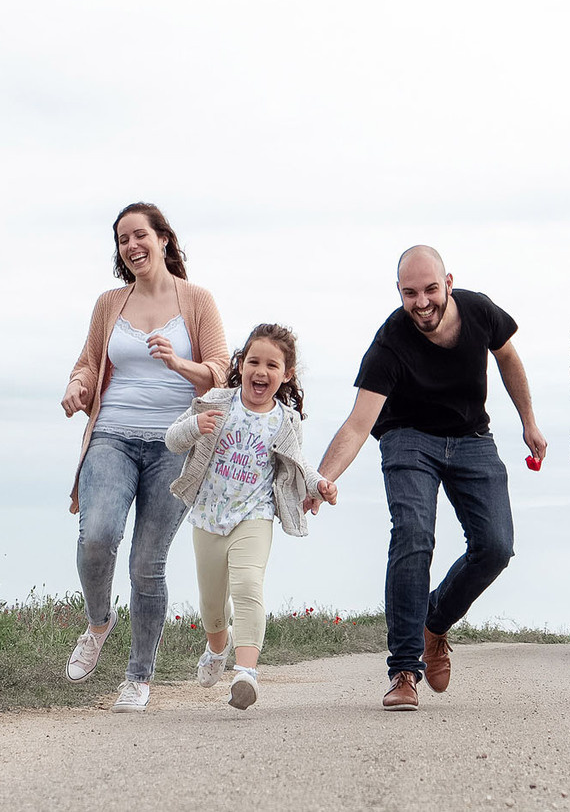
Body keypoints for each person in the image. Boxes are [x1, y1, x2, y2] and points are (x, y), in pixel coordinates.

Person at [311, 246, 548, 711]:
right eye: (410, 293)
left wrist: (529, 420)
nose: (422, 302)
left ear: (449, 283)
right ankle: (403, 669)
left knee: (496, 546)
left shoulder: (479, 311)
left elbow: (508, 358)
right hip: (408, 437)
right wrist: (323, 478)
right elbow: (358, 424)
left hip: (471, 436)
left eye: (430, 290)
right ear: (399, 293)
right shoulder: (390, 343)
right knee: (414, 534)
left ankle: (435, 624)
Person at [60, 201, 229, 712]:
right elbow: (90, 362)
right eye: (122, 241)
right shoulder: (110, 302)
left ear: (164, 240)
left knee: (145, 565)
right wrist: (76, 385)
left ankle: (138, 677)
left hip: (175, 444)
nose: (132, 247)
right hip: (111, 435)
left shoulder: (197, 300)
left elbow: (221, 371)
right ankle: (98, 622)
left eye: (140, 236)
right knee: (98, 537)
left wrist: (179, 362)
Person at [164, 322, 321, 711]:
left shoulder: (287, 421)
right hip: (208, 516)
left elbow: (300, 465)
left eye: (272, 365)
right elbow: (172, 439)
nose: (261, 372)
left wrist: (319, 486)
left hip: (255, 516)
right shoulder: (217, 400)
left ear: (286, 375)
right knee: (212, 605)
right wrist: (193, 426)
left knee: (249, 585)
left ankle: (246, 673)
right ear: (241, 364)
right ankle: (217, 647)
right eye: (253, 361)